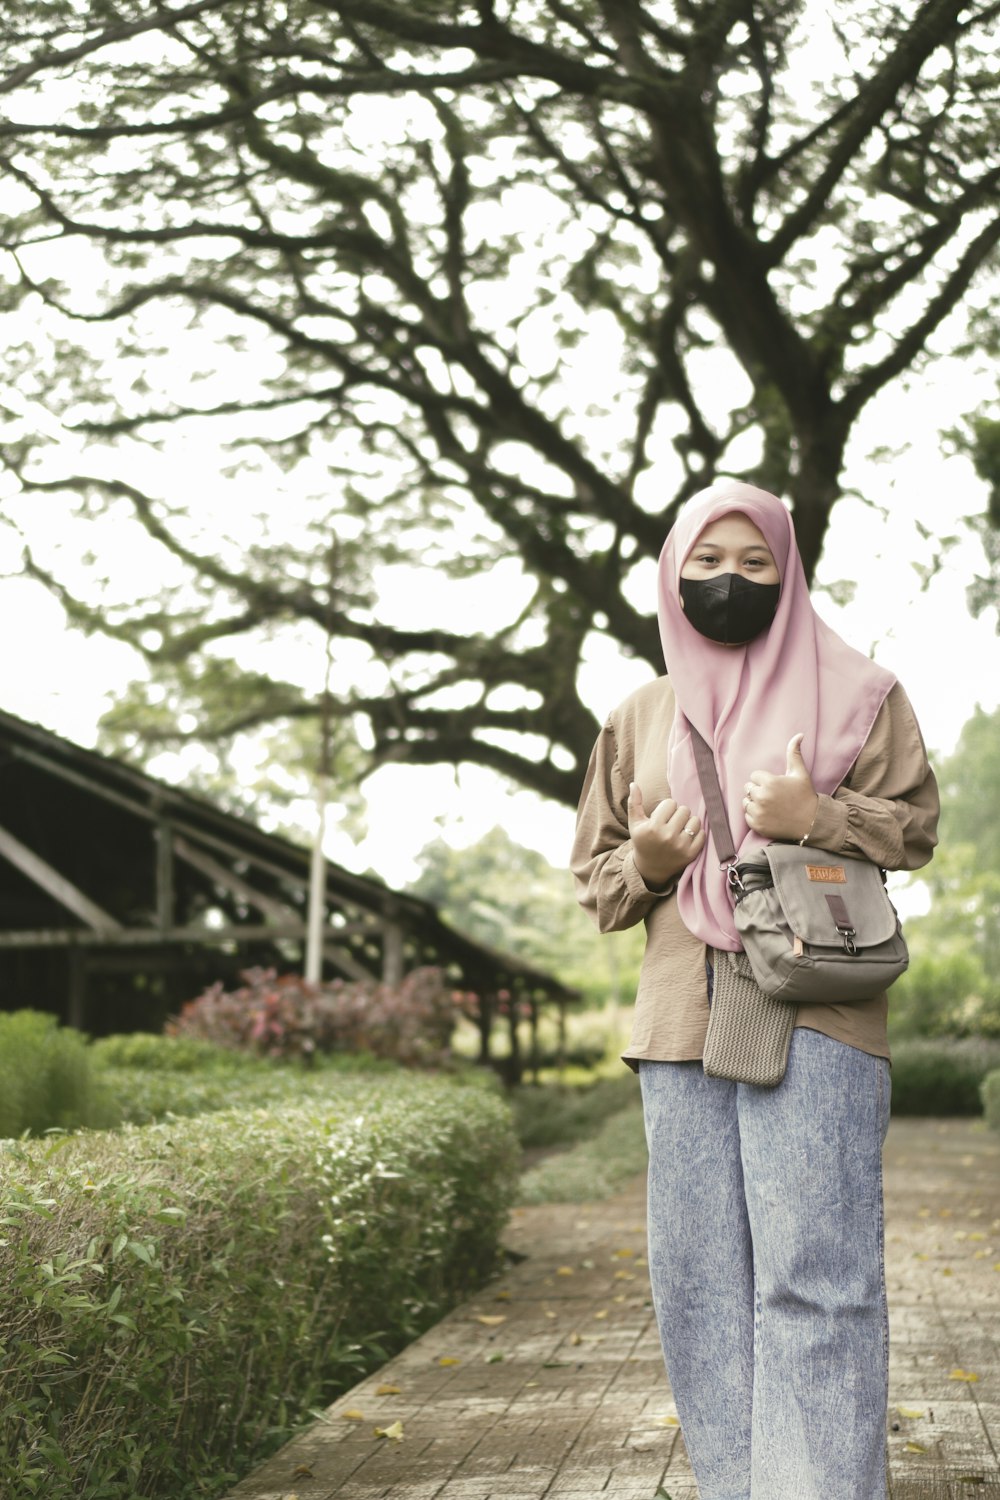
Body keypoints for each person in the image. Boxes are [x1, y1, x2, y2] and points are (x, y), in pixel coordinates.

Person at [571, 481, 939, 1500]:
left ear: (788, 571)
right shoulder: (640, 716)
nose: (725, 582)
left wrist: (814, 813)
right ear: (669, 572)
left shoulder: (859, 691)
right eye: (704, 563)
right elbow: (597, 886)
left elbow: (912, 826)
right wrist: (645, 860)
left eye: (752, 565)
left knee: (815, 1282)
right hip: (679, 1020)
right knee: (697, 1286)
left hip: (815, 1009)